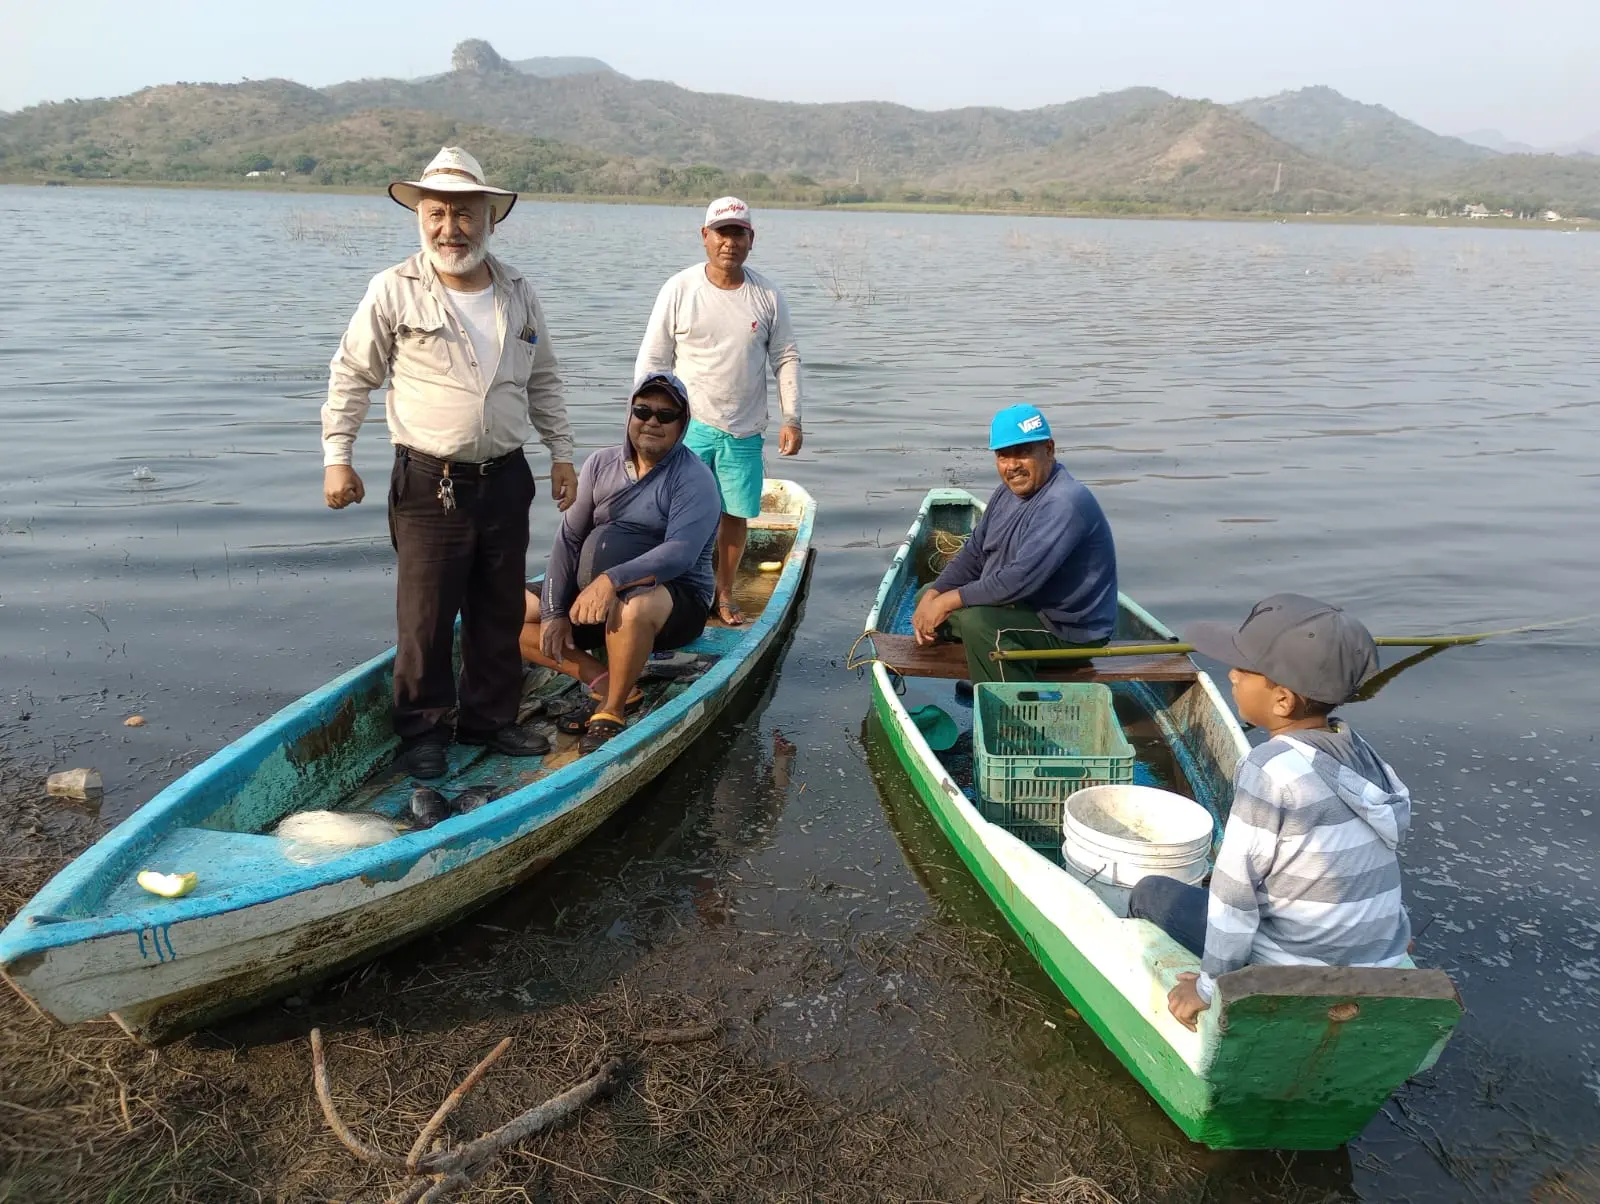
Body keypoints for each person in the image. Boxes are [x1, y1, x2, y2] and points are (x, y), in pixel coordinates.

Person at [322, 146, 578, 780]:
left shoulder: (518, 292)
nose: (449, 228)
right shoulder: (394, 288)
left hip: (507, 476)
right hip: (428, 482)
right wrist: (338, 458)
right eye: (437, 214)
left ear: (489, 218)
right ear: (421, 217)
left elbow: (543, 380)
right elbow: (352, 374)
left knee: (497, 609)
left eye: (464, 215)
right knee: (426, 615)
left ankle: (491, 720)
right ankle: (424, 730)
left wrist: (562, 454)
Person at [1128, 594, 1414, 1032]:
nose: (1233, 676)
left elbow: (1235, 897)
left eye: (1244, 671)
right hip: (1376, 957)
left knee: (1149, 892)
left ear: (1282, 701)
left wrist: (1208, 987)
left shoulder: (1269, 770)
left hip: (1291, 969)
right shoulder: (1362, 754)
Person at [522, 371, 720, 753]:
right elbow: (569, 538)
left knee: (633, 605)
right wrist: (553, 610)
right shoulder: (600, 464)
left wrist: (611, 580)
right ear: (629, 415)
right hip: (592, 600)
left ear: (682, 426)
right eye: (643, 411)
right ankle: (606, 682)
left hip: (671, 602)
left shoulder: (694, 478)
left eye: (666, 416)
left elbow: (680, 552)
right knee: (499, 611)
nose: (652, 422)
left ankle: (613, 709)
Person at [634, 196, 802, 627]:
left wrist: (792, 418)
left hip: (744, 430)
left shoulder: (766, 295)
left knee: (734, 516)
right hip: (687, 429)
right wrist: (646, 422)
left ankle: (722, 593)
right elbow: (654, 359)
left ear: (751, 239)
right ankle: (661, 587)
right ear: (705, 236)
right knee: (669, 512)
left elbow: (785, 357)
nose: (729, 242)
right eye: (721, 233)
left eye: (738, 233)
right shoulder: (680, 288)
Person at [911, 404, 1118, 685]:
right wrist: (935, 595)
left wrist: (948, 601)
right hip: (1023, 608)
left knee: (980, 624)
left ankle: (1009, 709)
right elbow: (973, 555)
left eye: (1023, 452)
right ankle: (990, 661)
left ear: (1049, 449)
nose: (1012, 466)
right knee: (925, 596)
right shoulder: (1005, 494)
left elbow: (1017, 579)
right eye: (1003, 455)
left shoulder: (1065, 502)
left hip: (1068, 630)